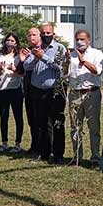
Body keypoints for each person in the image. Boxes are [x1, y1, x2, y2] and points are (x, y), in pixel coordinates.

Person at [22, 23, 67, 164]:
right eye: (43, 33)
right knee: (41, 123)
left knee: (57, 123)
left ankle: (58, 154)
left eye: (49, 33)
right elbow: (26, 66)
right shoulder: (36, 48)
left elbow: (61, 67)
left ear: (53, 34)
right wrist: (35, 57)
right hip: (37, 91)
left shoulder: (60, 48)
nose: (46, 35)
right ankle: (44, 153)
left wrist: (44, 57)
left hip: (54, 91)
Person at [67, 29, 103, 169]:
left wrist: (84, 61)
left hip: (91, 93)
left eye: (82, 39)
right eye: (77, 39)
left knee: (93, 127)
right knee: (75, 127)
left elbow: (97, 71)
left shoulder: (96, 53)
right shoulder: (72, 55)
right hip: (75, 94)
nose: (79, 42)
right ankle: (77, 157)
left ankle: (95, 157)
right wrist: (65, 62)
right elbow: (67, 73)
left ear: (89, 40)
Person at [0, 33, 25, 153]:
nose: (10, 42)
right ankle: (4, 143)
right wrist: (0, 70)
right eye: (8, 40)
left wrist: (14, 70)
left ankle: (17, 144)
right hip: (2, 90)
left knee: (18, 117)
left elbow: (22, 74)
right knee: (3, 117)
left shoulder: (19, 56)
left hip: (16, 89)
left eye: (12, 40)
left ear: (16, 43)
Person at [23, 27, 41, 156]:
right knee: (31, 120)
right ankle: (34, 145)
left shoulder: (44, 49)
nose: (31, 37)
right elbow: (25, 66)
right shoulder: (28, 51)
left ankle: (42, 147)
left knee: (41, 121)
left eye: (34, 34)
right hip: (29, 89)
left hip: (41, 89)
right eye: (29, 35)